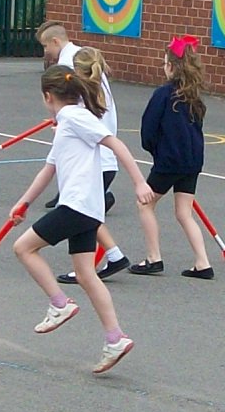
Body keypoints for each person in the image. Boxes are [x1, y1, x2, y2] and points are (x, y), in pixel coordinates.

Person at [10, 66, 154, 374]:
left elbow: (115, 144)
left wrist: (140, 182)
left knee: (23, 248)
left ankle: (59, 304)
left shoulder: (76, 118)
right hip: (87, 208)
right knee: (86, 274)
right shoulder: (67, 122)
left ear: (47, 96)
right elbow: (48, 169)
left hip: (77, 206)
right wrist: (24, 203)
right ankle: (114, 338)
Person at [38, 23, 130, 279]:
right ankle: (111, 257)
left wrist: (63, 121)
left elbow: (88, 125)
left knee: (80, 213)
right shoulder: (88, 78)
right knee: (86, 214)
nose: (46, 51)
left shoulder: (73, 71)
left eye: (46, 46)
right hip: (100, 160)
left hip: (96, 162)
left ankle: (99, 263)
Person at [133, 35, 214, 278]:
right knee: (183, 212)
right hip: (192, 161)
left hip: (170, 160)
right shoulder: (193, 96)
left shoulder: (163, 94)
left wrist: (154, 150)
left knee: (145, 203)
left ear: (171, 66)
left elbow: (148, 128)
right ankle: (203, 262)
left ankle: (153, 257)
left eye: (164, 62)